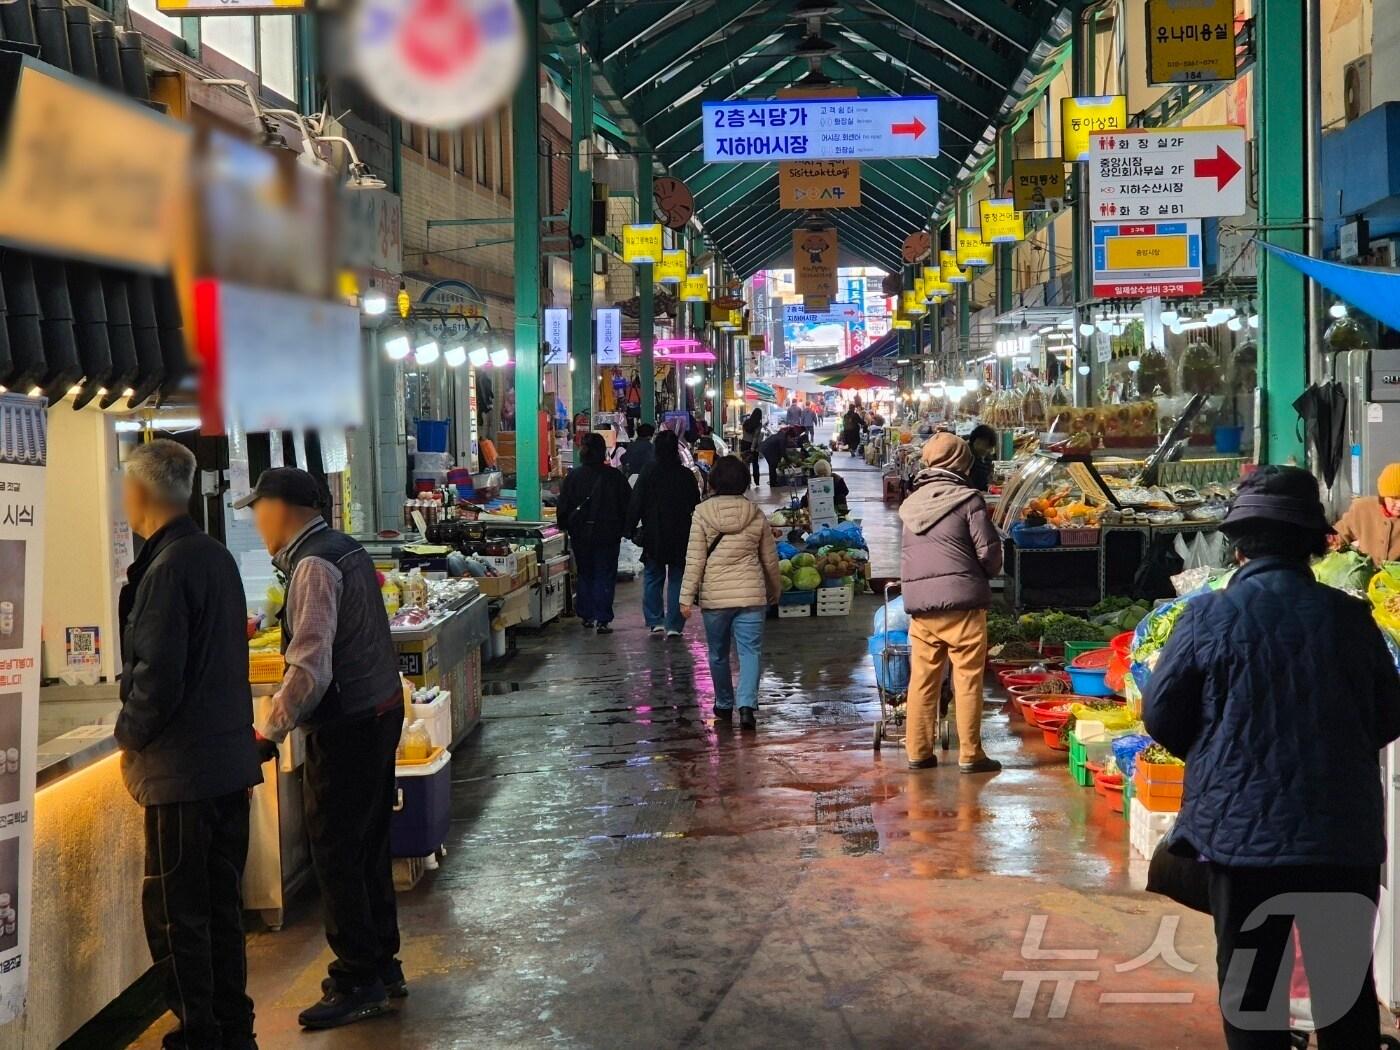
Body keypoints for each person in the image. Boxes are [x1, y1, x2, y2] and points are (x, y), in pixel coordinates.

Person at [1144, 466, 1400, 1050]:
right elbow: (1390, 716)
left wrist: (1222, 753)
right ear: (1314, 541)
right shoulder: (1349, 619)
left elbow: (1161, 716)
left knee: (1254, 996)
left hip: (1241, 840)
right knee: (1344, 998)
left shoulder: (1208, 617)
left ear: (1238, 543)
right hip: (1341, 836)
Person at [237, 468, 407, 1030]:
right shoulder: (344, 549)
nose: (256, 520)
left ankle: (358, 978)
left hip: (350, 724)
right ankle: (383, 963)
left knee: (336, 851)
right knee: (367, 846)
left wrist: (269, 732)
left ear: (282, 509)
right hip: (378, 712)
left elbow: (310, 668)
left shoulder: (313, 564)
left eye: (258, 508)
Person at [116, 440, 263, 1050]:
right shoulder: (213, 556)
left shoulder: (168, 567)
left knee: (179, 913)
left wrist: (128, 739)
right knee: (222, 907)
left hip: (182, 774)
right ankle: (234, 1027)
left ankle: (199, 1033)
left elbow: (158, 676)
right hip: (227, 765)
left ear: (140, 495)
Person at [899, 433, 1004, 774]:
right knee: (967, 679)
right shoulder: (969, 500)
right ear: (961, 463)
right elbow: (988, 553)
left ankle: (918, 751)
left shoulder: (911, 504)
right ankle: (970, 754)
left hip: (922, 610)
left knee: (923, 680)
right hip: (963, 606)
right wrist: (986, 571)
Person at [680, 456, 782, 731]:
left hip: (716, 598)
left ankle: (724, 704)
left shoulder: (702, 513)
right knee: (750, 652)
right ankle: (746, 705)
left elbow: (695, 559)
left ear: (712, 482)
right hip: (751, 596)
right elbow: (769, 560)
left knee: (717, 653)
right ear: (744, 483)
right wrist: (775, 590)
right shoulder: (755, 513)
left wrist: (685, 597)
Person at [627, 430, 701, 637]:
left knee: (653, 576)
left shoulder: (649, 471)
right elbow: (695, 503)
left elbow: (636, 501)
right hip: (681, 533)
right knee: (677, 578)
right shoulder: (685, 475)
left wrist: (629, 528)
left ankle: (655, 620)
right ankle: (674, 626)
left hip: (654, 532)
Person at [558, 433, 632, 633]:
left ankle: (587, 615)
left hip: (581, 534)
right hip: (608, 533)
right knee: (605, 574)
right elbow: (627, 505)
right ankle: (602, 618)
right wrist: (625, 529)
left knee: (585, 573)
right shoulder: (615, 477)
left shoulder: (574, 477)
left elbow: (563, 506)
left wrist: (564, 526)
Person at [1333, 462, 1400, 563]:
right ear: (1383, 495)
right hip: (1366, 574)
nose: (1399, 504)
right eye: (1394, 498)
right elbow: (1340, 534)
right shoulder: (1362, 508)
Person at [966, 424, 998, 493]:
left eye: (990, 447)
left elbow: (987, 476)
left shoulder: (987, 457)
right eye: (986, 446)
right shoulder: (965, 455)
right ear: (977, 441)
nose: (988, 450)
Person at [739, 407, 764, 486]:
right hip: (752, 445)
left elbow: (744, 434)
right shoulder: (758, 424)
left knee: (745, 463)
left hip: (744, 443)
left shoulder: (746, 422)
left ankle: (747, 482)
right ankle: (756, 482)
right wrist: (753, 447)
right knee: (755, 464)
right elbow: (755, 437)